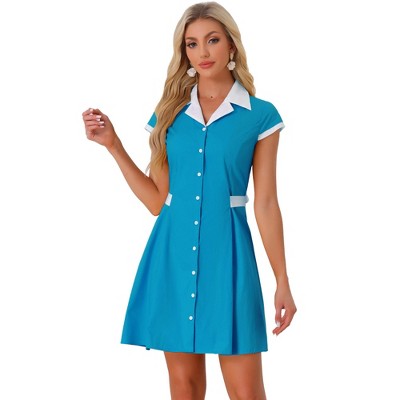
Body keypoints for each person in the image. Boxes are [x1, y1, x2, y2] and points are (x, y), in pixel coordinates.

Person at [82, 2, 296, 398]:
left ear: (231, 45)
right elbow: (156, 201)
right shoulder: (170, 113)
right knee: (185, 387)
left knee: (246, 391)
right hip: (172, 255)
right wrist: (114, 146)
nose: (203, 52)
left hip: (229, 258)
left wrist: (282, 280)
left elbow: (266, 203)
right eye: (192, 44)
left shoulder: (260, 116)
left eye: (212, 40)